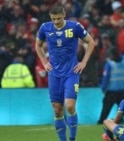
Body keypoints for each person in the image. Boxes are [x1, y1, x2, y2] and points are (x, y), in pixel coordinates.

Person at [35, 4, 95, 141]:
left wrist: (83, 62)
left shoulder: (75, 27)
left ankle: (72, 139)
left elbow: (91, 42)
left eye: (58, 18)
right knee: (57, 109)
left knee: (69, 105)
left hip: (71, 72)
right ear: (51, 17)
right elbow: (37, 45)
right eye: (54, 19)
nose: (56, 22)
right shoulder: (45, 27)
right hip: (54, 74)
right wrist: (44, 62)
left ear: (64, 15)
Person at [97, 48, 124, 124]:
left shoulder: (109, 64)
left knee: (106, 108)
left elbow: (106, 77)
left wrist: (103, 88)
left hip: (112, 91)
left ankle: (101, 121)